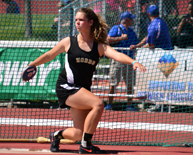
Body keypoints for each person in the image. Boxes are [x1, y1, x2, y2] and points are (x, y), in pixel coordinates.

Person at [25, 7, 146, 154]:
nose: (77, 22)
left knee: (77, 134)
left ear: (90, 22)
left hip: (82, 90)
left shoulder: (99, 46)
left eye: (81, 20)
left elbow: (116, 55)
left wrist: (133, 62)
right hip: (66, 87)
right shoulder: (69, 41)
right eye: (76, 20)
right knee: (98, 104)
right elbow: (49, 55)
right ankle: (86, 146)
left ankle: (56, 135)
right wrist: (32, 64)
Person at [130, 5, 173, 113]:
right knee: (164, 81)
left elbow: (151, 45)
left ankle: (160, 105)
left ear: (149, 14)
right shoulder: (162, 22)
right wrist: (138, 45)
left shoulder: (152, 25)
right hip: (168, 55)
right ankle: (164, 104)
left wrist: (139, 50)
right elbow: (148, 38)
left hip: (161, 56)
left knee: (159, 81)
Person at [104, 11, 139, 111]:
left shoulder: (132, 31)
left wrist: (135, 47)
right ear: (126, 20)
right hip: (117, 60)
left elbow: (136, 43)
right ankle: (109, 104)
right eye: (131, 19)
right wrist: (120, 38)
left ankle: (129, 105)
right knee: (113, 83)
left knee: (130, 84)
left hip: (129, 61)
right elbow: (107, 40)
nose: (132, 21)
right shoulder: (116, 28)